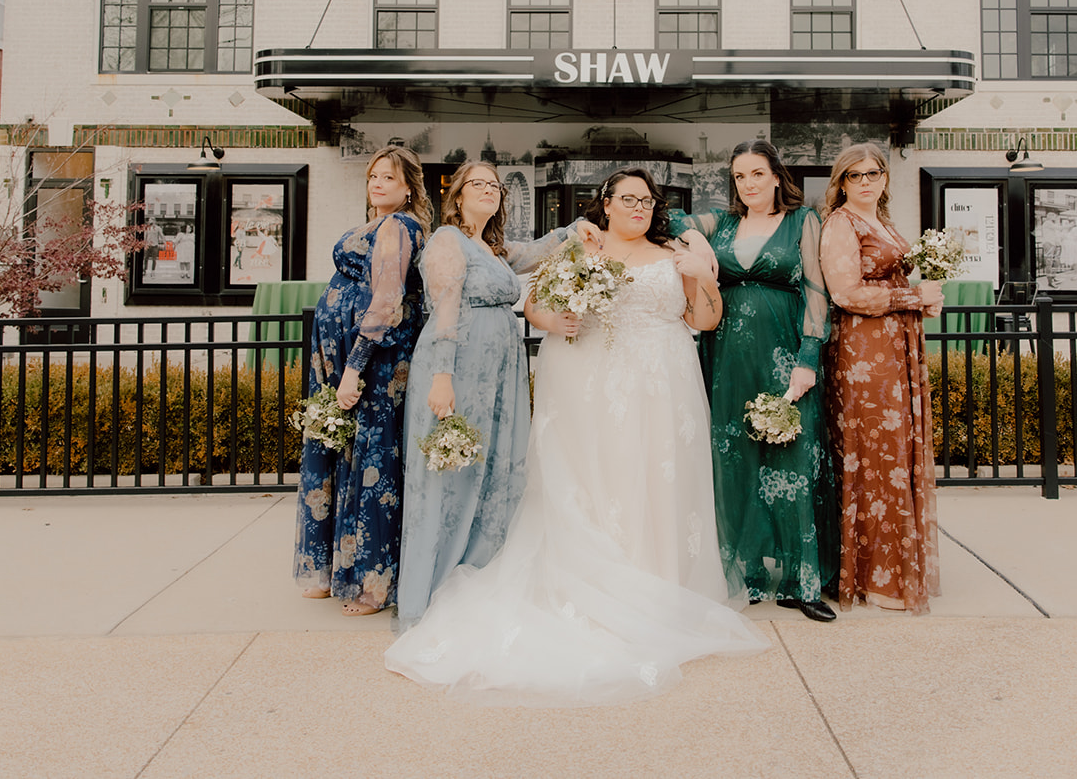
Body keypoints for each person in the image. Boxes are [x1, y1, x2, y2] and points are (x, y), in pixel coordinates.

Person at [385, 167, 767, 706]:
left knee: (657, 479)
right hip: (595, 383)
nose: (639, 207)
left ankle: (658, 584)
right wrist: (557, 319)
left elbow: (703, 320)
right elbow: (537, 304)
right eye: (628, 198)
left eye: (647, 199)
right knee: (601, 476)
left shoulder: (675, 250)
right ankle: (597, 581)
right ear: (605, 204)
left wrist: (703, 273)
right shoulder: (580, 246)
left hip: (664, 384)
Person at [396, 161, 582, 631]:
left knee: (497, 467)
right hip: (459, 365)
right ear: (457, 196)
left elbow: (537, 251)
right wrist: (442, 375)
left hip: (501, 371)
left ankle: (479, 574)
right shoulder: (447, 241)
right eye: (476, 184)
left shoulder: (493, 249)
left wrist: (578, 228)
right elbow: (444, 310)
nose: (488, 191)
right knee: (453, 471)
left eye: (495, 186)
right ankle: (434, 589)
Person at [669, 139, 838, 622]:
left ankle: (803, 582)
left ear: (776, 176)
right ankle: (750, 577)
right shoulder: (720, 224)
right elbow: (671, 222)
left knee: (792, 458)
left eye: (757, 174)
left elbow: (816, 290)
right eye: (740, 176)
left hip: (784, 355)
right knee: (734, 460)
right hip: (724, 357)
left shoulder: (802, 221)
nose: (749, 184)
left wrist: (808, 357)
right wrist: (701, 251)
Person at [294, 146, 431, 616]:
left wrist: (354, 367)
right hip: (343, 357)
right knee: (341, 453)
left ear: (408, 187)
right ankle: (334, 568)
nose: (377, 183)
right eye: (373, 176)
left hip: (374, 361)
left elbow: (388, 300)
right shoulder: (371, 225)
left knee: (371, 458)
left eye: (388, 178)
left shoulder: (399, 226)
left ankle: (373, 581)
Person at [818, 142, 944, 614]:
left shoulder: (883, 223)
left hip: (896, 346)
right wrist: (911, 298)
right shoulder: (841, 224)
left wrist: (925, 296)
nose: (866, 181)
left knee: (897, 448)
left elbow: (895, 284)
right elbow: (845, 292)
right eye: (855, 175)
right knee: (875, 452)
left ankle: (893, 569)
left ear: (885, 178)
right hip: (864, 351)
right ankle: (870, 576)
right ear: (842, 183)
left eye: (873, 173)